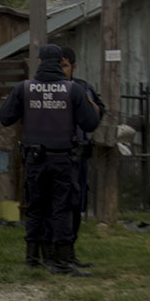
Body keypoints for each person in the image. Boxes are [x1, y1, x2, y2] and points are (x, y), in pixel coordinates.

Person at [0, 43, 101, 275]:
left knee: (35, 207)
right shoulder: (73, 90)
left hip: (33, 159)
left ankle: (33, 259)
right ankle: (62, 262)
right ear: (60, 63)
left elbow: (4, 117)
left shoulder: (24, 88)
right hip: (63, 159)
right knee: (62, 208)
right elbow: (90, 123)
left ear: (40, 62)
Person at [60, 46, 103, 269]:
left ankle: (70, 252)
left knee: (76, 205)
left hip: (79, 156)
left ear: (73, 67)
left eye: (65, 65)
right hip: (55, 155)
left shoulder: (83, 88)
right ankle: (53, 254)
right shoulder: (43, 89)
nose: (61, 70)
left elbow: (98, 113)